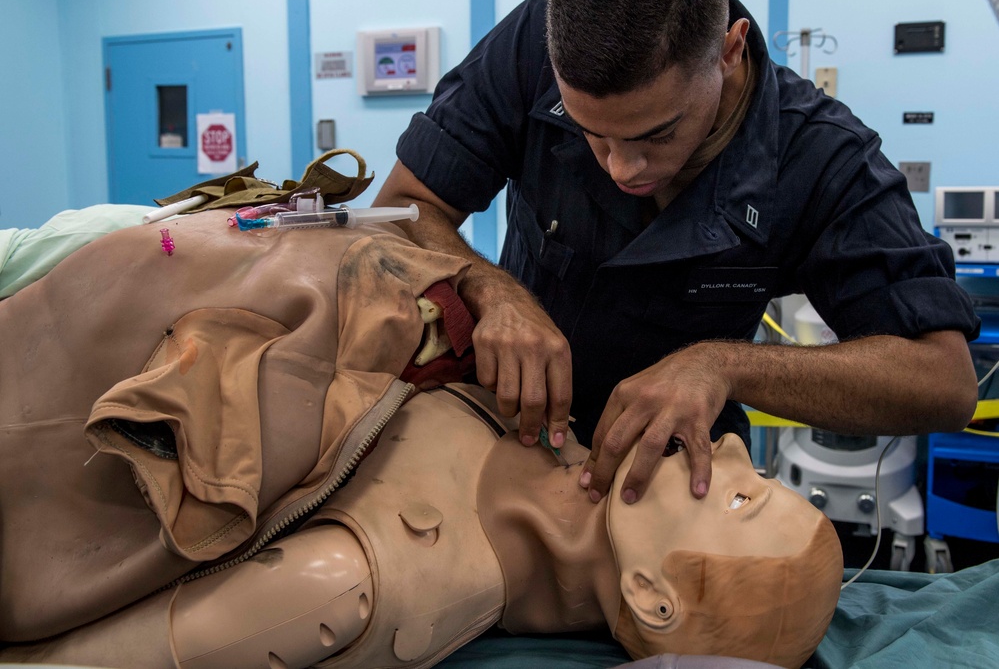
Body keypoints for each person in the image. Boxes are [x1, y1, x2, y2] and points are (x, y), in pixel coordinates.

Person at [372, 0, 981, 505]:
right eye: (593, 133)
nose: (621, 167)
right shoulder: (529, 48)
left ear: (730, 50)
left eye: (657, 134)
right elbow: (404, 206)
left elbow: (944, 382)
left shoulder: (820, 156)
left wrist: (722, 367)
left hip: (669, 480)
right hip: (501, 443)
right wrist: (487, 287)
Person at [0, 376, 844, 669]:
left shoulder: (354, 586)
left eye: (741, 498)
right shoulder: (549, 421)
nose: (729, 449)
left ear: (650, 596)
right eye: (755, 470)